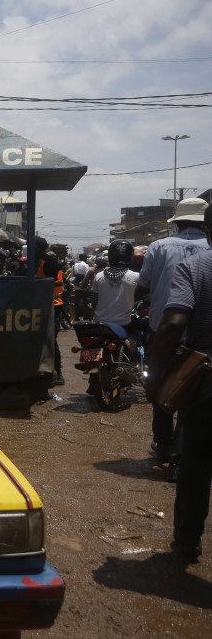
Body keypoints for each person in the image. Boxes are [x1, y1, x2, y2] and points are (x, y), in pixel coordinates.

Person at [144, 203, 212, 563]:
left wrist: (154, 377)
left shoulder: (191, 264)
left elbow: (171, 324)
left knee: (196, 460)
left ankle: (187, 539)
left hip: (199, 370)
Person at [138, 197, 209, 478]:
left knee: (163, 386)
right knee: (196, 391)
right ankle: (183, 450)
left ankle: (164, 444)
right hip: (202, 333)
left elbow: (143, 284)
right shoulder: (208, 248)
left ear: (177, 222)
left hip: (163, 326)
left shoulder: (158, 247)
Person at [91, 240, 141, 339]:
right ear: (130, 256)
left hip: (100, 324)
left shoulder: (99, 276)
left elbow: (94, 302)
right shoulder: (136, 276)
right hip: (124, 324)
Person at [34, 237, 65, 385]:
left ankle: (58, 373)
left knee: (51, 339)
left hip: (54, 306)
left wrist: (40, 253)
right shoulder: (39, 262)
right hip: (43, 305)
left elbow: (57, 265)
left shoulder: (50, 260)